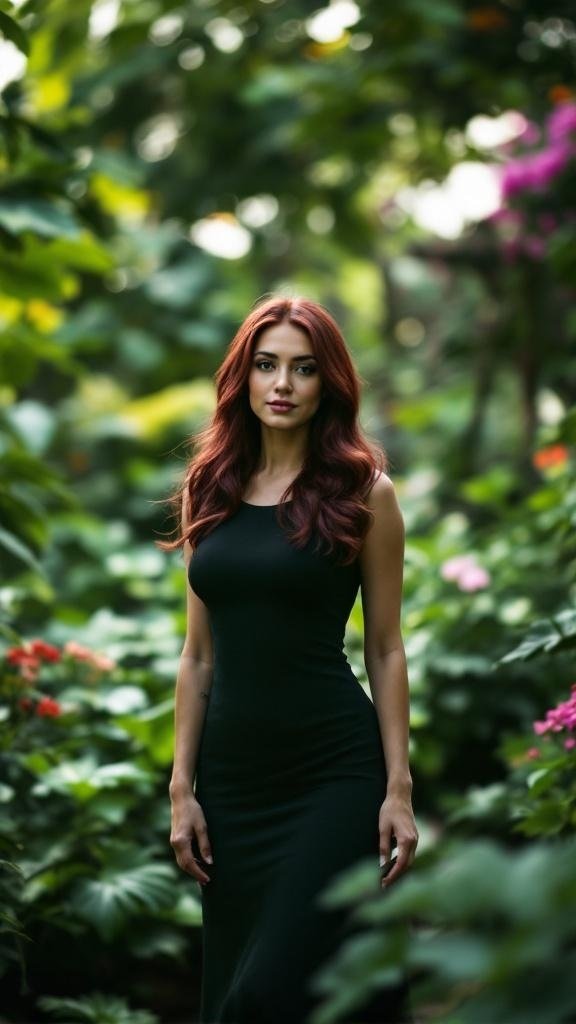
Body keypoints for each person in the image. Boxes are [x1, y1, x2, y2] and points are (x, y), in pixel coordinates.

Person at [161, 295, 418, 1023]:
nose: (282, 384)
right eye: (266, 365)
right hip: (234, 781)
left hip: (332, 772)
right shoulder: (209, 488)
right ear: (242, 378)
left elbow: (386, 647)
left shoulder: (366, 494)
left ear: (327, 383)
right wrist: (183, 786)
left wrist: (397, 788)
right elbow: (198, 656)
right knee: (259, 987)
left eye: (303, 369)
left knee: (269, 994)